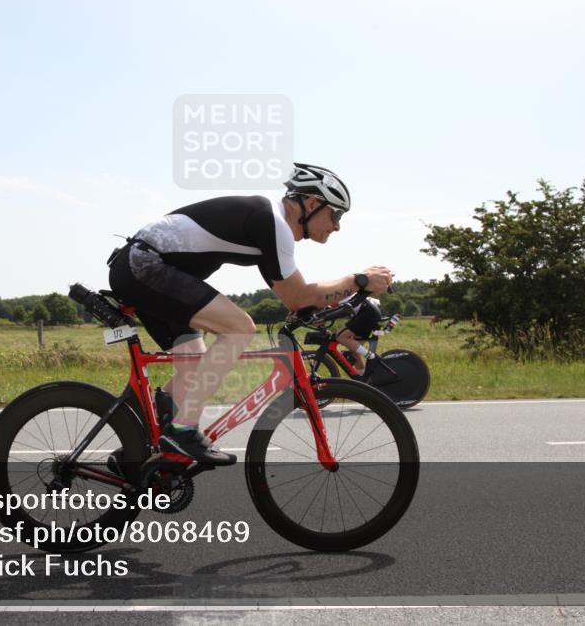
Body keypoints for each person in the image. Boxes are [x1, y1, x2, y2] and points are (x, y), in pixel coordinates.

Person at [107, 163, 393, 465]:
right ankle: (181, 432)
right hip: (145, 265)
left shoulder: (268, 223)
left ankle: (138, 453)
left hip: (147, 268)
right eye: (335, 214)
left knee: (194, 369)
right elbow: (299, 297)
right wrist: (357, 280)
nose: (337, 226)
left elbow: (295, 297)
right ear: (311, 204)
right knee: (240, 328)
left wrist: (325, 302)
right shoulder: (273, 223)